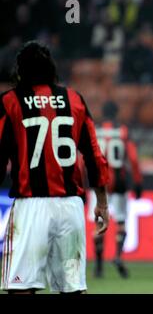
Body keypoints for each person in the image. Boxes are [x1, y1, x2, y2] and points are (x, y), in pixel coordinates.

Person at [0, 41, 110, 293]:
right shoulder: (74, 99)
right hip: (70, 207)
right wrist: (101, 202)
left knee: (20, 287)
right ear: (52, 68)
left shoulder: (10, 101)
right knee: (71, 289)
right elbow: (94, 155)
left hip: (30, 206)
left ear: (20, 70)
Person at [93, 100, 142, 279]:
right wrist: (137, 182)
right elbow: (134, 158)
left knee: (99, 222)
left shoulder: (95, 129)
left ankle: (98, 266)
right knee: (121, 223)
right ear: (116, 113)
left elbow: (84, 158)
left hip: (99, 183)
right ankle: (118, 256)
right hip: (119, 182)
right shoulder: (123, 130)